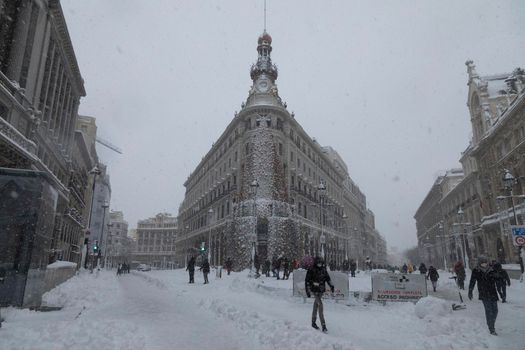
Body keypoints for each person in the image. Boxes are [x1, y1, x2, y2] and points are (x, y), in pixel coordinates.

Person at [468, 256, 499, 335]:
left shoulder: (492, 269)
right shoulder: (476, 271)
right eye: (482, 262)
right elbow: (472, 281)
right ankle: (491, 328)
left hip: (493, 292)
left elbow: (498, 278)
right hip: (484, 293)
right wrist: (470, 291)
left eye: (485, 262)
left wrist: (498, 276)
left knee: (495, 310)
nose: (484, 264)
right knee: (489, 311)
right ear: (479, 263)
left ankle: (491, 323)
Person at [305, 257, 334, 333]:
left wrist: (331, 285)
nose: (320, 264)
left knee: (316, 305)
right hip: (314, 290)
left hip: (321, 290)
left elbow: (327, 278)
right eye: (318, 263)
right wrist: (308, 290)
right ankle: (323, 325)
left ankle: (313, 322)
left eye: (321, 263)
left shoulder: (323, 269)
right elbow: (307, 281)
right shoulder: (311, 269)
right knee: (320, 305)